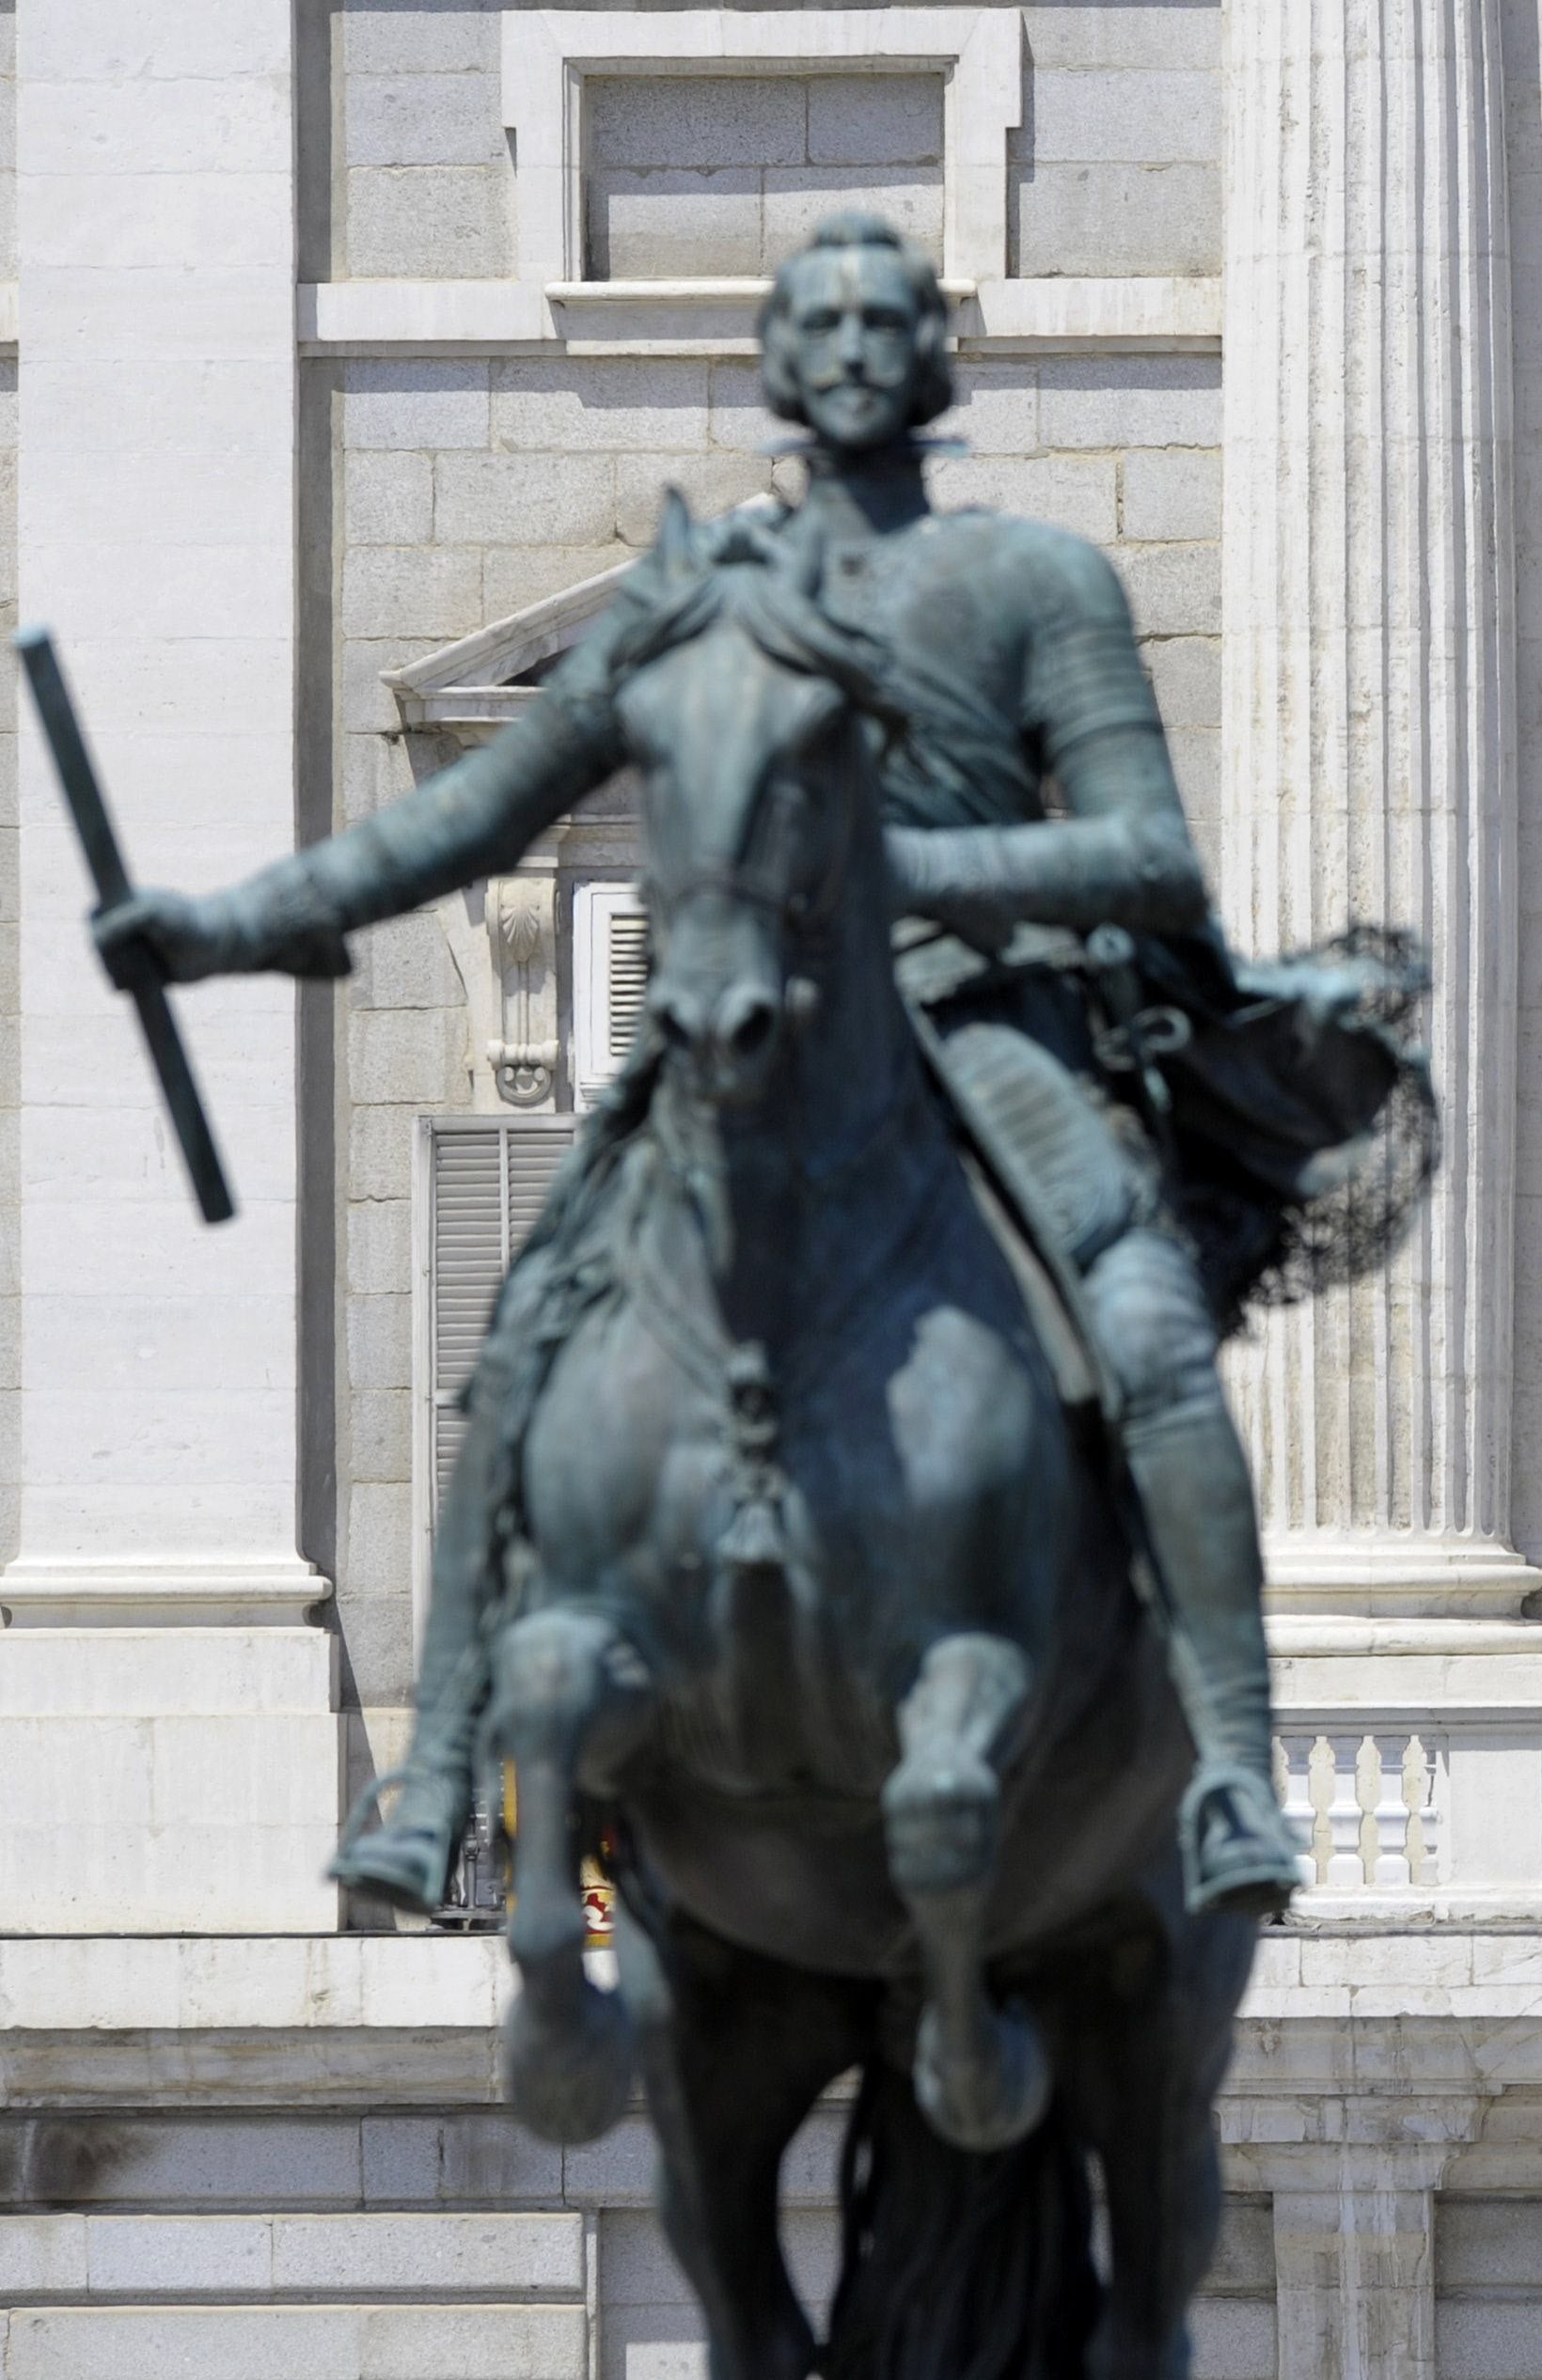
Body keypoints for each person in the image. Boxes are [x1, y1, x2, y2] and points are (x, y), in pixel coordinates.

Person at [99, 215, 1419, 1922]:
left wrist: (908, 879)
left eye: (891, 319)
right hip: (737, 1049)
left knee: (1153, 1328)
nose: (859, 344)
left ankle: (1233, 1772)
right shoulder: (696, 608)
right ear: (780, 364)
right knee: (522, 1343)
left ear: (935, 364)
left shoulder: (1036, 583)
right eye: (825, 320)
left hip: (978, 1029)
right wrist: (220, 924)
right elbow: (459, 819)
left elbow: (1150, 857)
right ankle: (437, 1782)